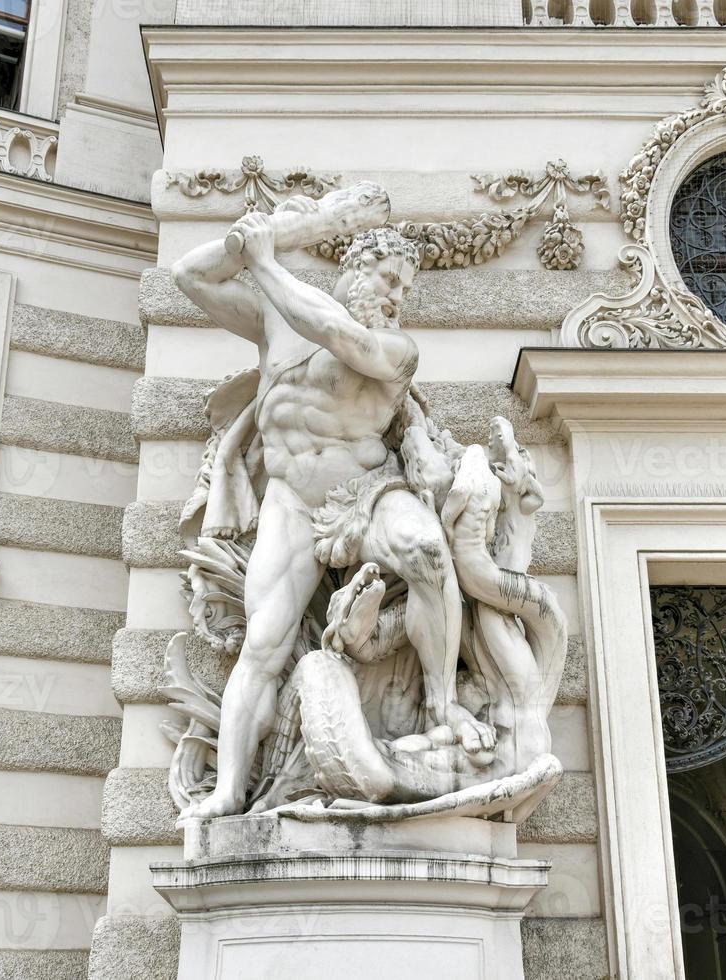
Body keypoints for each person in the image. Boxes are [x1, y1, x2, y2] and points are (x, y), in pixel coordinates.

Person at [172, 205, 494, 819]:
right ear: (352, 267)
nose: (397, 296)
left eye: (405, 286)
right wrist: (286, 235)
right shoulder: (275, 316)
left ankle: (443, 704)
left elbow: (339, 336)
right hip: (290, 502)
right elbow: (190, 276)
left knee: (427, 551)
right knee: (262, 643)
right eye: (387, 277)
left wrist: (265, 260)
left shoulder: (397, 348)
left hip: (366, 489)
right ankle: (227, 790)